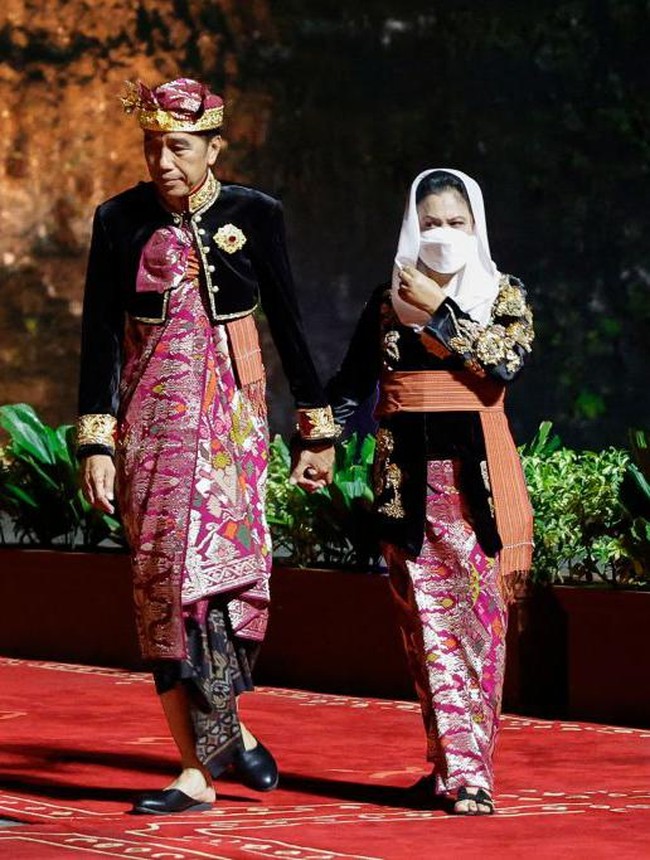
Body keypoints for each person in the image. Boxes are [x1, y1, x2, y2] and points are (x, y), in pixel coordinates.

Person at [76, 77, 336, 815]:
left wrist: (315, 429)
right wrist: (96, 442)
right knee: (162, 589)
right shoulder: (118, 220)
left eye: (180, 147)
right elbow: (97, 336)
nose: (164, 161)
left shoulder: (255, 214)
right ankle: (198, 765)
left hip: (231, 432)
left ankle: (225, 731)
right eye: (153, 146)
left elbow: (286, 319)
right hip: (152, 435)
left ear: (215, 146)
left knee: (218, 587)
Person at [326, 169, 534, 815]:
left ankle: (474, 776)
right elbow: (351, 383)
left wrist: (439, 314)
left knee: (476, 630)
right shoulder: (385, 302)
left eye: (456, 223)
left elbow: (502, 365)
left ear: (477, 227)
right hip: (404, 488)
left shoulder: (504, 295)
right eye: (431, 224)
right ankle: (449, 769)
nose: (443, 236)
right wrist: (317, 437)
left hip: (478, 491)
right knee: (424, 632)